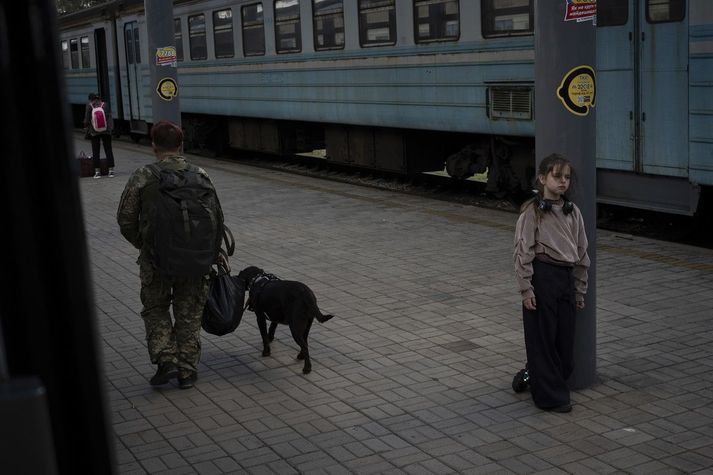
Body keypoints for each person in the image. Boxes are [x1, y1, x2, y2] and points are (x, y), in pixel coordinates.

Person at [116, 121, 223, 389]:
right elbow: (217, 218)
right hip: (196, 259)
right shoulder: (200, 173)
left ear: (153, 146)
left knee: (156, 308)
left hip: (156, 261)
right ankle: (187, 371)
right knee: (189, 313)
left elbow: (126, 219)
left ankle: (166, 361)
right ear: (181, 144)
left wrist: (144, 244)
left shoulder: (143, 176)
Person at [513, 153, 590, 413]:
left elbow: (581, 252)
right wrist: (526, 288)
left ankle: (531, 375)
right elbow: (522, 252)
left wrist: (579, 289)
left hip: (565, 280)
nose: (563, 181)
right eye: (557, 176)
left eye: (567, 177)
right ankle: (550, 398)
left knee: (564, 344)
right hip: (543, 276)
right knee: (542, 340)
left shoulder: (573, 212)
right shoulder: (532, 212)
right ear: (543, 178)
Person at [83, 92, 115, 178]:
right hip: (106, 131)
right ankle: (111, 171)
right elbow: (109, 117)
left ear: (90, 99)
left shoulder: (90, 106)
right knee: (108, 149)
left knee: (95, 151)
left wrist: (86, 127)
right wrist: (109, 129)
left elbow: (86, 120)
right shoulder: (105, 105)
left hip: (94, 132)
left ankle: (97, 172)